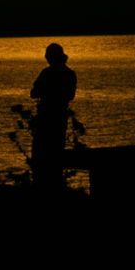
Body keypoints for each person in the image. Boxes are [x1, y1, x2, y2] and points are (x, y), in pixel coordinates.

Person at [29, 43, 77, 189]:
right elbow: (70, 95)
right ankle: (54, 184)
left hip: (47, 118)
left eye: (48, 56)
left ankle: (43, 185)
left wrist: (47, 92)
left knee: (42, 154)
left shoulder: (47, 73)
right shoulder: (70, 74)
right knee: (55, 152)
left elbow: (34, 92)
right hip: (59, 118)